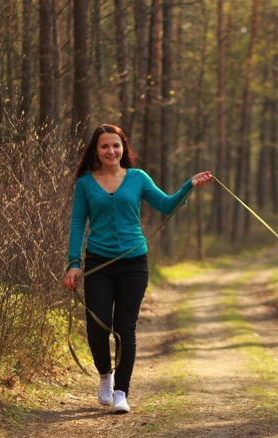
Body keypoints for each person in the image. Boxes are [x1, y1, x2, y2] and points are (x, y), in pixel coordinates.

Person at [62, 124, 212, 414]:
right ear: (96, 150)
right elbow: (78, 225)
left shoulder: (138, 178)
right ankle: (105, 375)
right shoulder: (85, 183)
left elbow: (167, 206)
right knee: (97, 326)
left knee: (124, 329)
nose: (111, 151)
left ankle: (121, 391)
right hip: (98, 264)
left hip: (134, 264)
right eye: (104, 146)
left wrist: (189, 185)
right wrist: (74, 263)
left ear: (124, 148)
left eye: (116, 145)